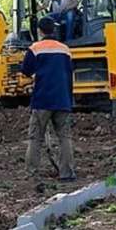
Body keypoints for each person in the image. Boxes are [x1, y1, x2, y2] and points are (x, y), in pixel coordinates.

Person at [21, 16, 76, 181]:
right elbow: (69, 74)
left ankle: (31, 173)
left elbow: (25, 71)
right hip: (63, 100)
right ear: (54, 30)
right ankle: (67, 173)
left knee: (35, 138)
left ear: (39, 31)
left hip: (42, 100)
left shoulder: (35, 48)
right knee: (65, 137)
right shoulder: (65, 50)